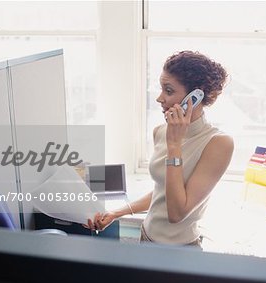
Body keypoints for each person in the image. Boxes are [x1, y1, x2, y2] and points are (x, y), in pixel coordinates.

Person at [85, 50, 233, 248]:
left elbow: (176, 213)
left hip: (180, 250)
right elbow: (162, 192)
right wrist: (117, 213)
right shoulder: (160, 132)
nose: (159, 98)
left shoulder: (218, 143)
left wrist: (174, 146)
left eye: (169, 91)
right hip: (146, 237)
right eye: (161, 89)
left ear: (195, 97)